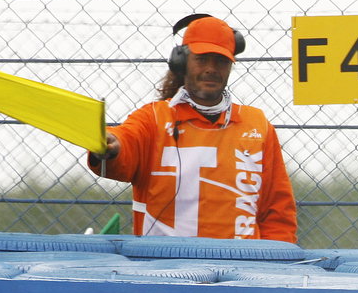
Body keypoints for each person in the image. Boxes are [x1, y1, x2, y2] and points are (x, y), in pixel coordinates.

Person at [87, 14, 297, 242]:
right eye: (202, 59)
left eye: (220, 61)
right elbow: (124, 140)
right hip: (161, 267)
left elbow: (278, 210)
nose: (211, 68)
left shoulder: (256, 124)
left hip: (241, 268)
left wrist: (277, 262)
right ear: (182, 62)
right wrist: (110, 146)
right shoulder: (154, 117)